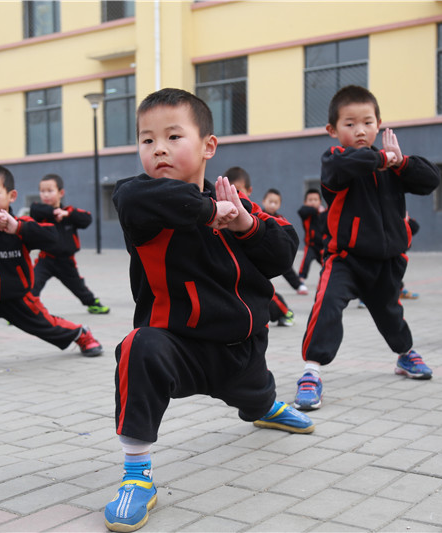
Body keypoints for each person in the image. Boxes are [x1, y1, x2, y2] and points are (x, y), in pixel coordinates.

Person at [105, 88, 313, 533]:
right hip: (178, 347)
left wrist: (243, 222)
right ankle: (137, 475)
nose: (158, 147)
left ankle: (267, 407)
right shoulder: (139, 200)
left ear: (208, 146)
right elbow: (138, 200)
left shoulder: (237, 202)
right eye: (146, 140)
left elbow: (282, 253)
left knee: (257, 399)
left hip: (242, 350)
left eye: (173, 136)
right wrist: (209, 210)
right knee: (137, 348)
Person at [295, 85, 441, 411]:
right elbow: (345, 168)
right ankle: (311, 372)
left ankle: (405, 355)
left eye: (367, 122)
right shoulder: (335, 159)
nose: (360, 130)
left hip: (388, 261)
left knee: (390, 313)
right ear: (333, 130)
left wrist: (400, 162)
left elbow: (430, 180)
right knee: (328, 305)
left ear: (379, 124)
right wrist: (380, 159)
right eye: (350, 124)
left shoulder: (393, 167)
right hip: (345, 259)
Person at [0, 165, 104, 379]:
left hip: (19, 298)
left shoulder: (22, 225)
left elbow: (52, 237)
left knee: (49, 327)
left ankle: (80, 333)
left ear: (12, 196)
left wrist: (18, 228)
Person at [29, 174, 110, 314]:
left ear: (61, 193)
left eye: (50, 190)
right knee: (33, 284)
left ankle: (93, 303)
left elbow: (87, 218)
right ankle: (22, 309)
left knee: (79, 287)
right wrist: (54, 212)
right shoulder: (40, 213)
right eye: (42, 191)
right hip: (45, 259)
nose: (45, 194)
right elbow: (34, 208)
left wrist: (67, 214)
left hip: (66, 262)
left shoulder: (69, 214)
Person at [224, 170, 295, 326]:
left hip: (257, 276)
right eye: (229, 191)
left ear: (249, 191)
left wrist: (298, 284)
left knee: (266, 292)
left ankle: (286, 312)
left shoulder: (260, 216)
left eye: (238, 191)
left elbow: (286, 255)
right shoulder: (221, 217)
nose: (234, 196)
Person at [262, 188, 309, 295]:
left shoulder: (280, 219)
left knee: (286, 267)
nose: (273, 205)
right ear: (264, 201)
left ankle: (298, 285)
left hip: (275, 252)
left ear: (279, 205)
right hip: (261, 251)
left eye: (276, 202)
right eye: (270, 201)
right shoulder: (257, 216)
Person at [297, 188, 327, 282]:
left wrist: (322, 212)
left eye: (315, 200)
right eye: (310, 200)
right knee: (306, 261)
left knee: (326, 263)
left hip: (322, 246)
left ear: (320, 201)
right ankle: (301, 279)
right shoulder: (306, 213)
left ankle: (327, 278)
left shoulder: (323, 213)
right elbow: (302, 211)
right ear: (305, 202)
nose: (313, 202)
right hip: (311, 245)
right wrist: (316, 210)